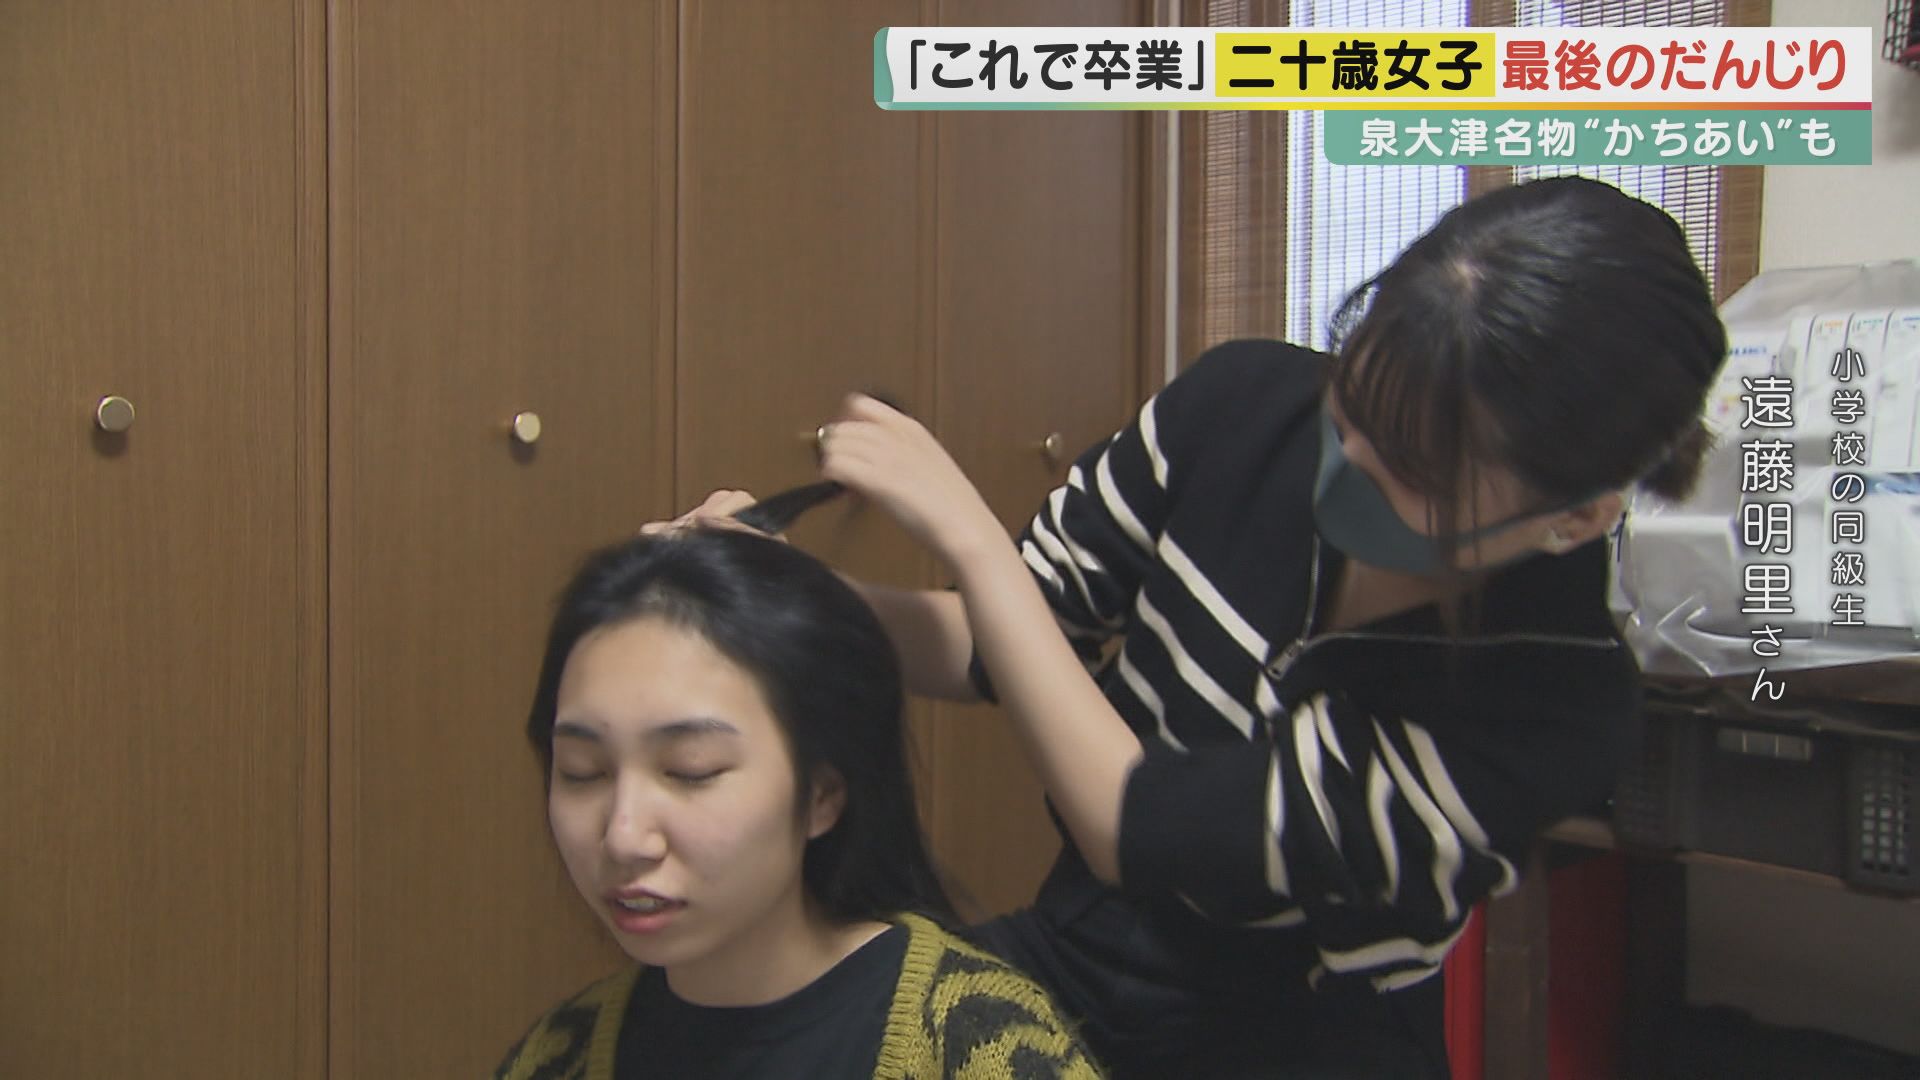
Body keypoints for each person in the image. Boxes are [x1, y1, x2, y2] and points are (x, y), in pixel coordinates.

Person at [666, 177, 1729, 1078]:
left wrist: (971, 535)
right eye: (1352, 408)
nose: (1346, 466)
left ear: (1575, 517)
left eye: (1410, 471)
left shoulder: (1548, 709)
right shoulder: (1244, 403)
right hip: (1080, 947)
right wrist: (786, 591)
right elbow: (1009, 638)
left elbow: (1132, 824)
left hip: (1298, 1036)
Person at [492, 528, 1106, 1080]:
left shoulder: (979, 1044)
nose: (624, 837)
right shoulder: (558, 1057)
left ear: (822, 794)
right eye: (584, 772)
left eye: (690, 771)